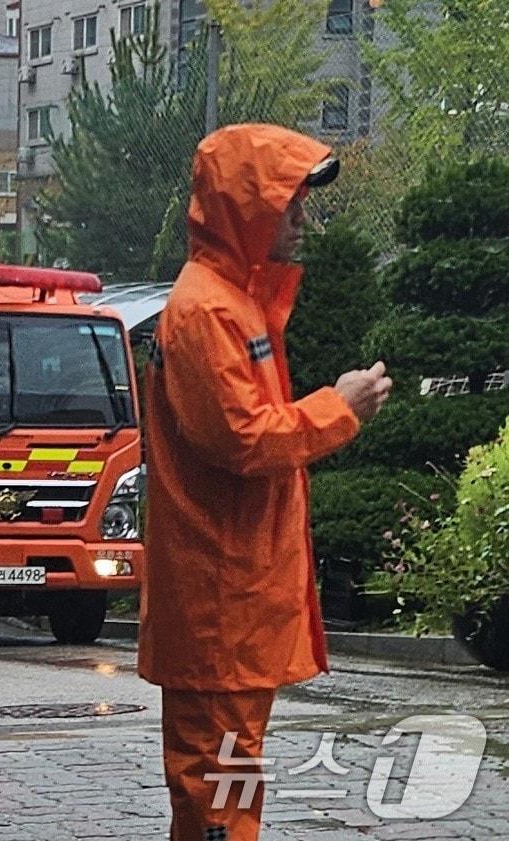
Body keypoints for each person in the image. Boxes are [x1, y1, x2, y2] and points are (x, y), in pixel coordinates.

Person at [138, 124, 393, 841]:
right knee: (220, 784)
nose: (301, 220)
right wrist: (338, 407)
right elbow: (245, 439)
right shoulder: (208, 310)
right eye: (290, 204)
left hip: (232, 597)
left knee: (228, 775)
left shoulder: (231, 302)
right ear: (246, 207)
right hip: (220, 599)